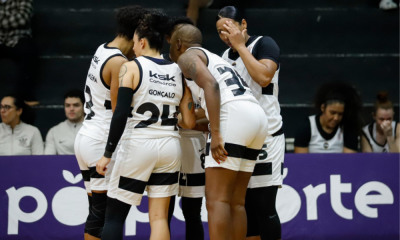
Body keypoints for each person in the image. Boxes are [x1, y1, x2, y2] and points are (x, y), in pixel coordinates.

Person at [96, 11, 196, 240]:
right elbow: (189, 121)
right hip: (171, 146)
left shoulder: (130, 67)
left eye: (134, 43)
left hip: (138, 145)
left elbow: (120, 113)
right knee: (160, 218)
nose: (133, 48)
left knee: (114, 217)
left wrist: (107, 153)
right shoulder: (178, 71)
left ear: (141, 41)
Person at [169, 23, 269, 240]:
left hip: (232, 115)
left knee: (217, 201)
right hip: (255, 116)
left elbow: (211, 87)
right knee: (236, 201)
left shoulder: (186, 57)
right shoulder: (216, 58)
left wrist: (216, 134)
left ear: (178, 43)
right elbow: (210, 102)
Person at [73, 5, 148, 240]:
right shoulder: (119, 63)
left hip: (86, 136)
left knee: (96, 213)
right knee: (104, 215)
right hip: (101, 141)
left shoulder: (102, 48)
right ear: (138, 32)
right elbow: (119, 111)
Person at [216, 6, 284, 240]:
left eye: (228, 28)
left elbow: (264, 76)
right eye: (220, 32)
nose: (225, 36)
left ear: (243, 24)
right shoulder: (224, 58)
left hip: (268, 136)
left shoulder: (264, 44)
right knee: (244, 206)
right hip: (240, 138)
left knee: (265, 207)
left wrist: (241, 47)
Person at [164, 16, 206, 240]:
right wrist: (189, 117)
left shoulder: (202, 65)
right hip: (168, 143)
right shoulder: (162, 68)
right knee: (164, 211)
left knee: (192, 212)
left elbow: (211, 111)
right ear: (171, 39)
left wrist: (188, 117)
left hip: (193, 143)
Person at [294, 82, 362, 153]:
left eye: (340, 114)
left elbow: (349, 161)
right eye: (332, 113)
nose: (336, 118)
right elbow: (301, 161)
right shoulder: (306, 127)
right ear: (323, 108)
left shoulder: (348, 129)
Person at [0, 0, 38, 105]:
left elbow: (22, 19)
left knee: (29, 50)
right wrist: (11, 18)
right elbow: (16, 19)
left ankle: (23, 98)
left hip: (17, 39)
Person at [45, 89, 85, 155]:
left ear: (84, 107)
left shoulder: (95, 129)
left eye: (76, 105)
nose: (71, 109)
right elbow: (49, 159)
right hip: (61, 165)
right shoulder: (54, 131)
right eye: (68, 105)